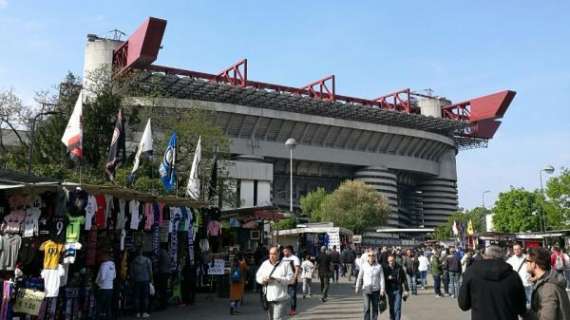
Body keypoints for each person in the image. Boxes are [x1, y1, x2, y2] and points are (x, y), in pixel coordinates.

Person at [458, 245, 526, 320]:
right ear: (503, 257)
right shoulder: (513, 275)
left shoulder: (471, 272)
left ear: (485, 256)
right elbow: (521, 307)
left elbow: (463, 304)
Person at [526, 247, 570, 320]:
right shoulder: (550, 279)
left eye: (527, 261)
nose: (525, 263)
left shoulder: (548, 288)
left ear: (533, 264)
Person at [256, 246, 293, 320]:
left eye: (274, 254)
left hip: (280, 298)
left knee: (277, 318)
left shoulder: (285, 264)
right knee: (271, 318)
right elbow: (258, 276)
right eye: (270, 254)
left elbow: (290, 279)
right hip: (269, 297)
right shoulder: (265, 264)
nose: (272, 256)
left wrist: (278, 279)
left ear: (278, 254)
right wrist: (263, 280)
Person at [355, 249, 385, 320]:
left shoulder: (379, 266)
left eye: (373, 255)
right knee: (366, 308)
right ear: (367, 257)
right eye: (369, 255)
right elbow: (360, 277)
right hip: (366, 290)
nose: (371, 257)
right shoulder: (364, 266)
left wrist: (382, 289)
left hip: (376, 290)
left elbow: (382, 279)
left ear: (375, 257)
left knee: (375, 308)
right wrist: (357, 287)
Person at [383, 253, 409, 320]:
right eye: (390, 261)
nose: (391, 262)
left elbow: (404, 279)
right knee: (391, 307)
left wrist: (406, 290)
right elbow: (382, 279)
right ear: (388, 261)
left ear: (395, 260)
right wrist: (387, 278)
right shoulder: (385, 268)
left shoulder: (399, 268)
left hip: (398, 290)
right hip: (389, 290)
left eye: (392, 260)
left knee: (397, 308)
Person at [130, 248, 153, 318]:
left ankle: (137, 313)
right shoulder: (147, 260)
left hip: (137, 281)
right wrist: (151, 280)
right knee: (145, 297)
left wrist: (133, 279)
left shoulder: (133, 261)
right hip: (146, 280)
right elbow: (150, 271)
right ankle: (144, 312)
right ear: (142, 252)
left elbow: (131, 272)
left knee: (136, 297)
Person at [95, 252, 116, 320]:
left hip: (103, 288)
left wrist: (98, 284)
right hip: (110, 288)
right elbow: (114, 276)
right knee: (108, 305)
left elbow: (102, 277)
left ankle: (98, 317)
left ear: (106, 257)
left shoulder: (103, 265)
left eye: (102, 256)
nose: (101, 258)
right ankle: (108, 317)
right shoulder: (113, 265)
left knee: (100, 305)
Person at [281, 245, 301, 316]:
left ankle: (293, 310)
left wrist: (294, 278)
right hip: (283, 280)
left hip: (292, 279)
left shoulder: (295, 258)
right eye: (283, 251)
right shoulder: (283, 258)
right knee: (283, 295)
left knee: (292, 295)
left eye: (285, 251)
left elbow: (297, 269)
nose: (283, 252)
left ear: (289, 251)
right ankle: (282, 309)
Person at [156, 245, 171, 310]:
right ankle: (165, 304)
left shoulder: (161, 252)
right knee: (164, 289)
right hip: (167, 272)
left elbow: (158, 262)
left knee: (162, 289)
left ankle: (162, 305)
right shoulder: (167, 253)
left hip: (162, 273)